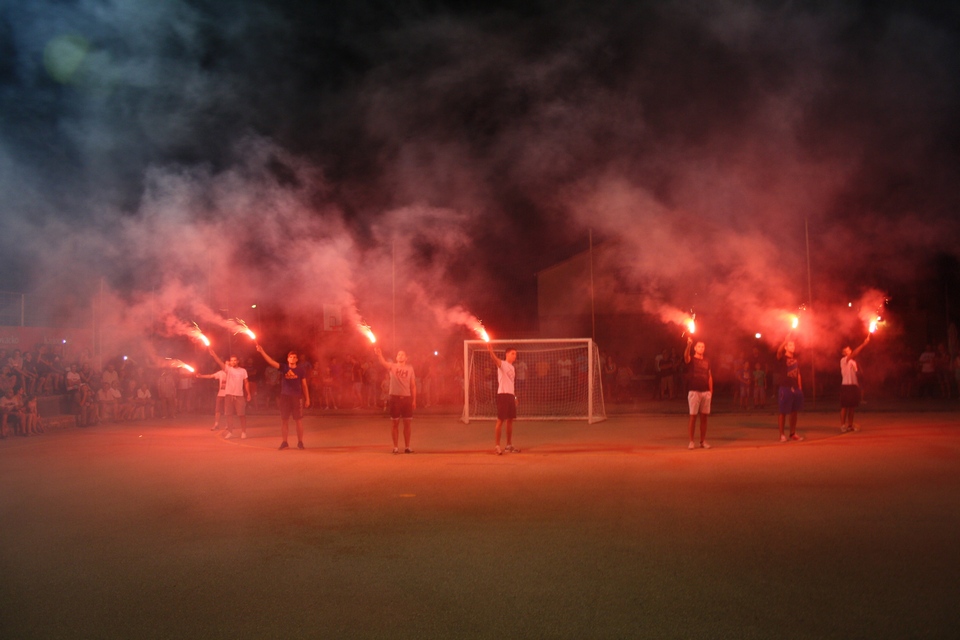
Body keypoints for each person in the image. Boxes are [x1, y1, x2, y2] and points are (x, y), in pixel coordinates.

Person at [256, 345, 310, 450]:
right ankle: (285, 442)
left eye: (294, 357)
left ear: (297, 359)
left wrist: (307, 398)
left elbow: (304, 385)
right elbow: (271, 362)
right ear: (287, 358)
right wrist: (262, 351)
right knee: (284, 420)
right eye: (291, 357)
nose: (292, 359)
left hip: (297, 397)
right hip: (285, 396)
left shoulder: (300, 371)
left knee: (298, 420)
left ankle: (300, 442)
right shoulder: (284, 368)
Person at [374, 346, 417, 454]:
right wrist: (379, 354)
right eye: (398, 354)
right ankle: (396, 447)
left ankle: (407, 447)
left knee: (407, 423)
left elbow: (413, 385)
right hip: (395, 398)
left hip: (406, 398)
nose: (400, 356)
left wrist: (414, 400)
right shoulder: (392, 366)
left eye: (402, 354)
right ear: (396, 357)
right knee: (395, 423)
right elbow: (383, 362)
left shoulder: (410, 368)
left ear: (406, 358)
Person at [206, 349, 251, 439]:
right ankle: (230, 431)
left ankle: (243, 432)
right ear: (230, 362)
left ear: (238, 361)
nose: (233, 362)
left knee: (241, 414)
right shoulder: (228, 369)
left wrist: (248, 393)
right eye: (232, 360)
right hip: (229, 395)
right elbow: (219, 362)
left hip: (239, 395)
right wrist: (214, 355)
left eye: (235, 360)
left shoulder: (243, 371)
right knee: (228, 414)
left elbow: (246, 382)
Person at [485, 342, 518, 455]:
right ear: (507, 354)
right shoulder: (503, 364)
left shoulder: (513, 368)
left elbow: (512, 383)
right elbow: (496, 360)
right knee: (500, 421)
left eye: (515, 354)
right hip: (502, 395)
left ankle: (508, 445)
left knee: (510, 421)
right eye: (513, 354)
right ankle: (497, 446)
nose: (515, 356)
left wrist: (515, 396)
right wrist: (491, 351)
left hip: (510, 396)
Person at [683, 336, 713, 449]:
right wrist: (689, 344)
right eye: (699, 346)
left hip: (705, 391)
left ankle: (702, 441)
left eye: (703, 346)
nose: (701, 348)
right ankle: (691, 441)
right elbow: (685, 356)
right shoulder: (691, 359)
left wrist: (711, 391)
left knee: (704, 417)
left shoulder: (707, 361)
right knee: (693, 416)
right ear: (695, 348)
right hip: (694, 391)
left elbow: (710, 376)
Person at [776, 334, 804, 442]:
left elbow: (798, 374)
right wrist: (785, 341)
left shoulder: (796, 360)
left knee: (794, 411)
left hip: (795, 388)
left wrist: (800, 388)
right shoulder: (783, 358)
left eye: (793, 345)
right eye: (790, 345)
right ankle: (782, 434)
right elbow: (778, 352)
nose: (793, 346)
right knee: (783, 411)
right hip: (785, 387)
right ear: (786, 347)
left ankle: (792, 433)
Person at [840, 334, 870, 433]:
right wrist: (864, 344)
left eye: (849, 349)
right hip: (846, 386)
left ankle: (850, 425)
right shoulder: (844, 360)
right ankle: (842, 425)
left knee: (852, 407)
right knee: (844, 407)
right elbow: (855, 353)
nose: (849, 351)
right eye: (846, 350)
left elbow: (856, 373)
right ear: (843, 353)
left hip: (853, 386)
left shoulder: (853, 362)